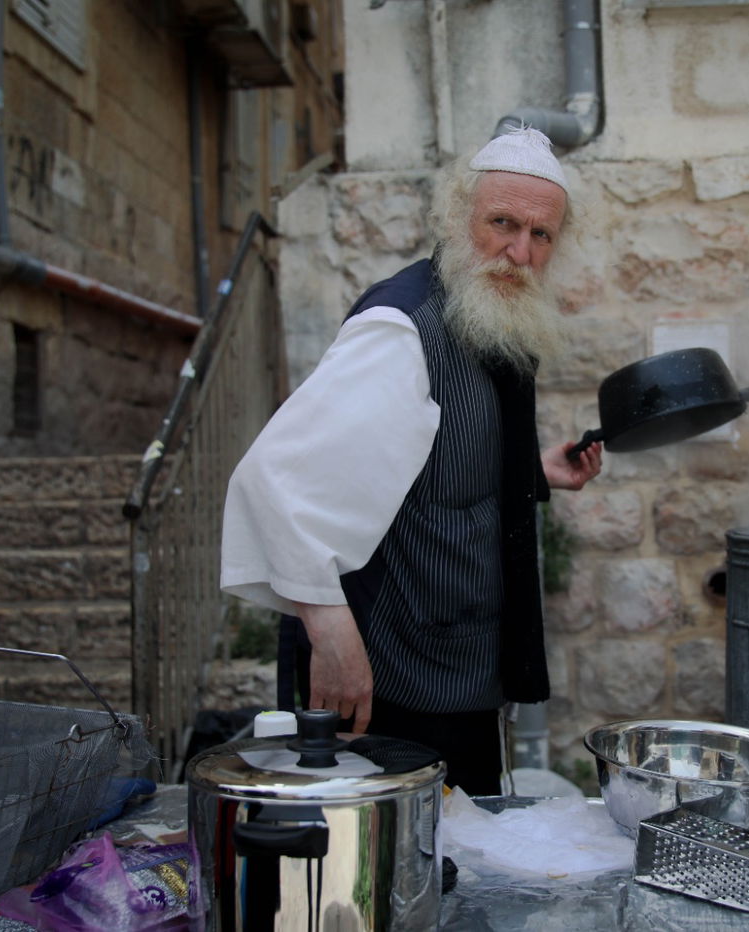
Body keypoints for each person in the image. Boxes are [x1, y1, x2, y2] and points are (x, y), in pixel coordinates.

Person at [220, 127, 603, 794]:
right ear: (458, 218)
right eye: (502, 224)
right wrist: (329, 630)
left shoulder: (488, 314)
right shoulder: (402, 330)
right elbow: (275, 480)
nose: (520, 252)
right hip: (390, 688)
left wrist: (529, 472)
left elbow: (416, 464)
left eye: (542, 236)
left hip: (456, 674)